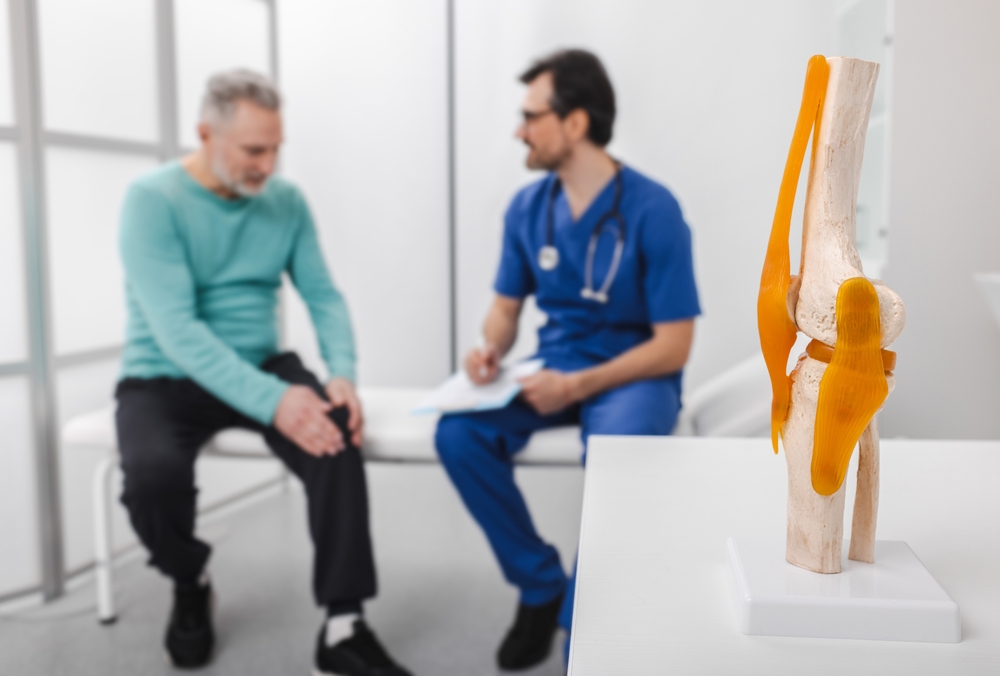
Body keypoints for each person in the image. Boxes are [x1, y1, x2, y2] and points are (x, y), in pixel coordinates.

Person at [116, 69, 411, 676]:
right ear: (205, 134)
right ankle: (189, 577)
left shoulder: (286, 202)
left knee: (335, 438)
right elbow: (178, 331)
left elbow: (323, 296)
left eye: (276, 148)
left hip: (258, 360)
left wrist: (342, 376)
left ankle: (343, 625)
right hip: (166, 372)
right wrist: (276, 401)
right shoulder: (151, 201)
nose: (268, 165)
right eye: (254, 150)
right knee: (151, 477)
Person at [435, 49, 701, 671]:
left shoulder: (654, 210)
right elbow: (505, 308)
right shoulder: (528, 208)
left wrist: (579, 382)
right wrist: (488, 350)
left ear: (574, 123)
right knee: (459, 434)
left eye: (531, 116)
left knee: (615, 464)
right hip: (552, 366)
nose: (518, 130)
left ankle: (585, 637)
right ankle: (540, 585)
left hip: (633, 374)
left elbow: (674, 344)